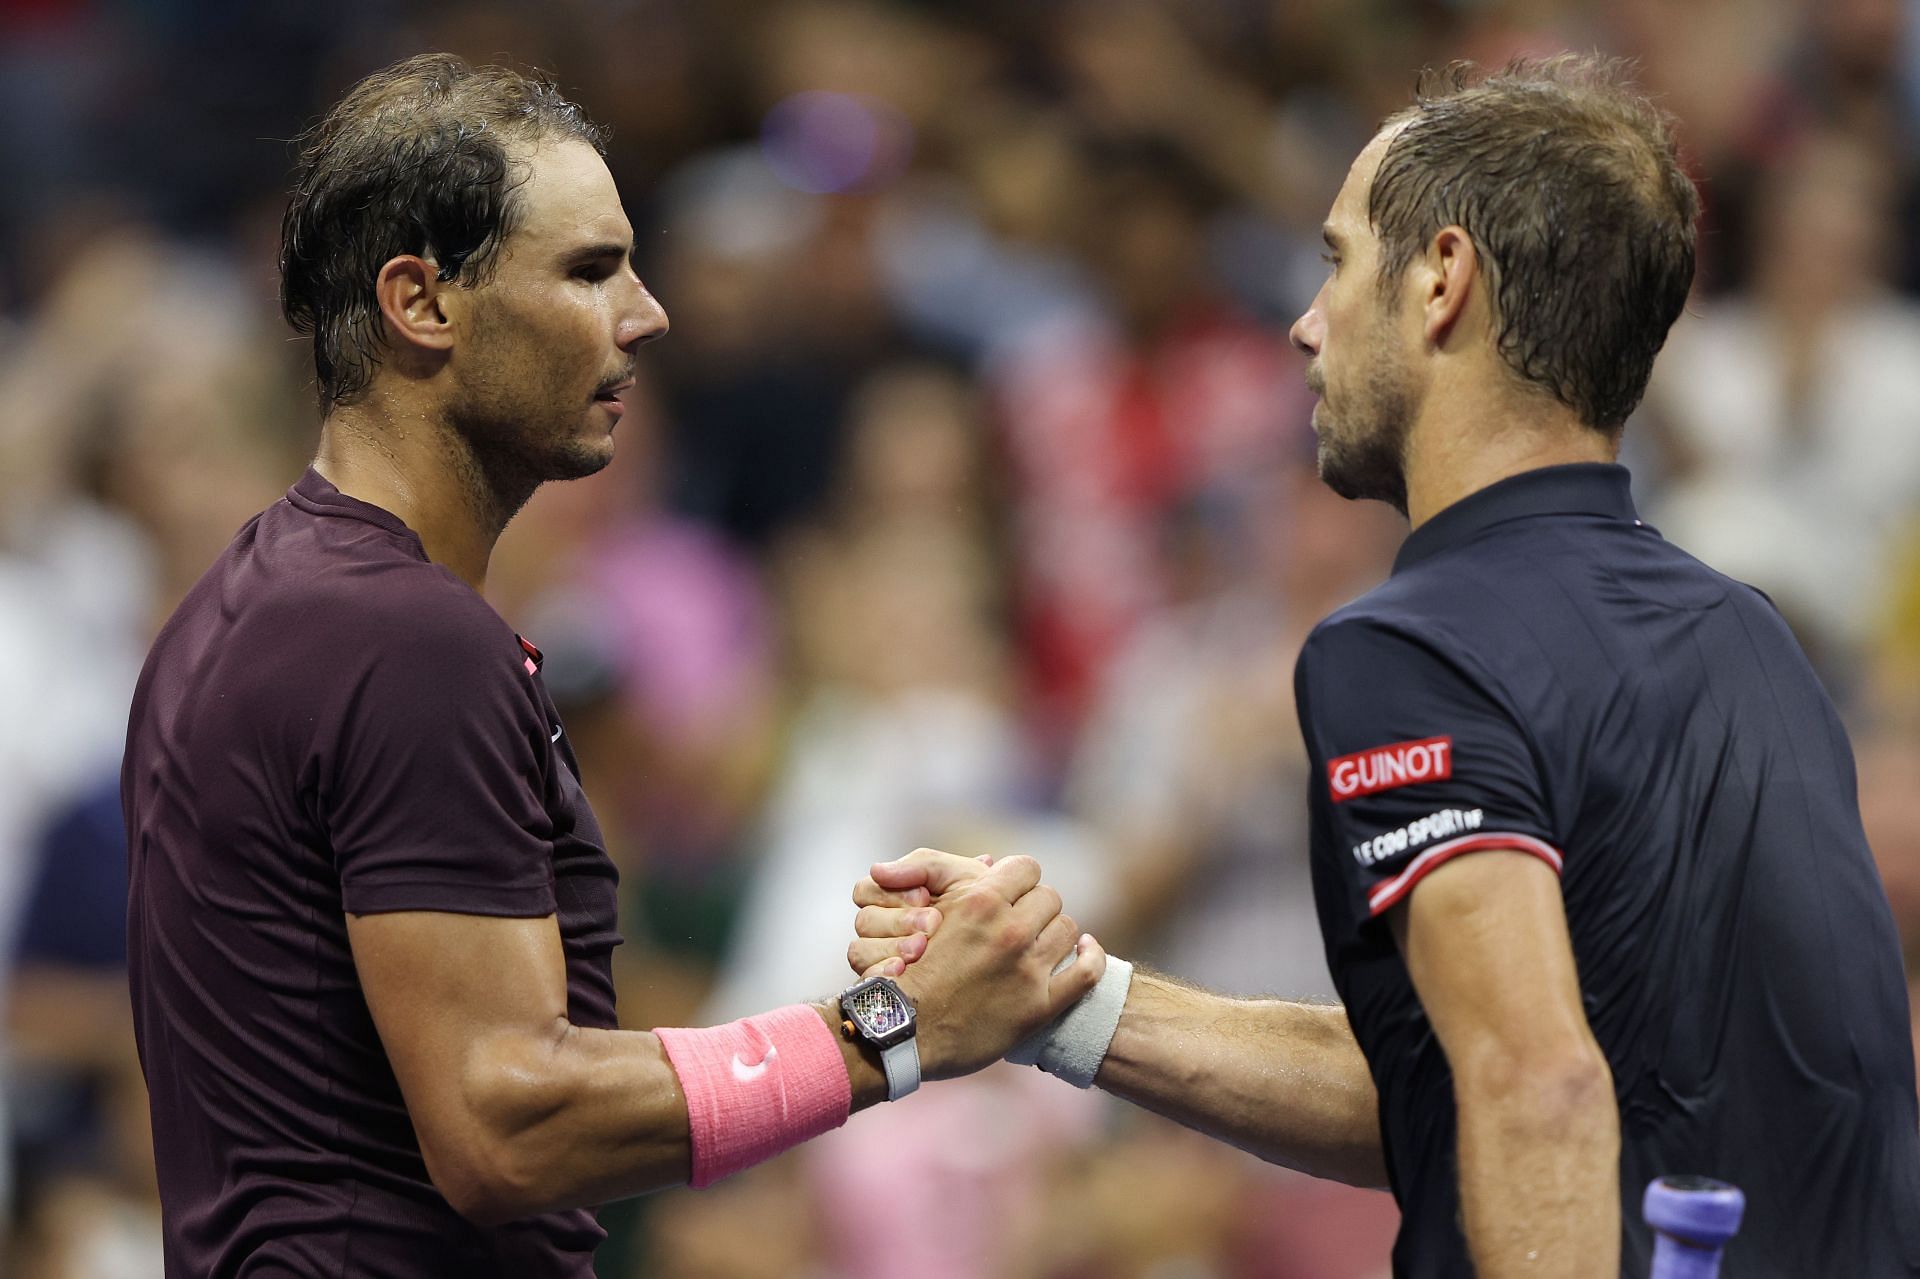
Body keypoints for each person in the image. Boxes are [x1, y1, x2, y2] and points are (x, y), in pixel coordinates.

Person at [854, 56, 1920, 1279]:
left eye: (1338, 259)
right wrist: (1062, 999)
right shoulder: (1755, 636)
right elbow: (1464, 1088)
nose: (1307, 324)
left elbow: (1537, 1088)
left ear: (1441, 282)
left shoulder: (1411, 647)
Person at [121, 54, 1104, 1279]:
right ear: (421, 302)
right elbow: (508, 1125)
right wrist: (894, 1029)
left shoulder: (242, 603)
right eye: (589, 272)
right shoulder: (402, 639)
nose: (648, 314)